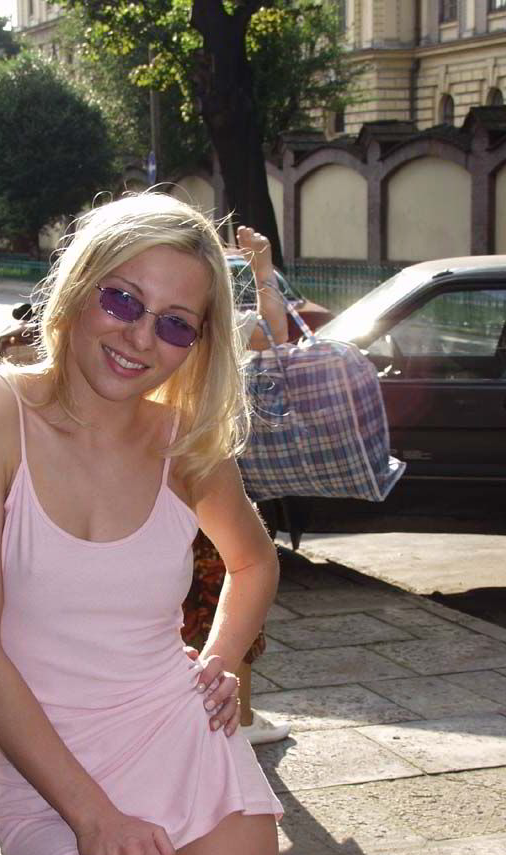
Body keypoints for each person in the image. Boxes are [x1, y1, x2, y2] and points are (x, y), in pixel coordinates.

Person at [0, 192, 283, 855]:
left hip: (191, 749)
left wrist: (221, 658)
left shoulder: (182, 442)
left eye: (175, 324)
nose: (139, 338)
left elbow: (254, 561)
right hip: (55, 789)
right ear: (78, 287)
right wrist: (96, 818)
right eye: (122, 300)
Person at [182, 225, 291, 746]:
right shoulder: (211, 327)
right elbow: (276, 331)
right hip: (189, 480)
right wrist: (261, 268)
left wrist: (261, 268)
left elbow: (274, 332)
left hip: (199, 478)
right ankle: (235, 720)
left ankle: (235, 718)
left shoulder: (218, 326)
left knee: (219, 601)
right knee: (211, 602)